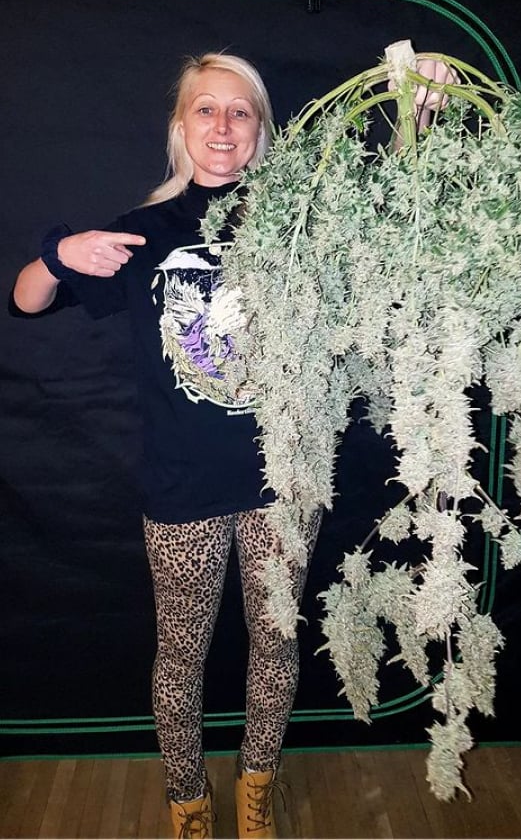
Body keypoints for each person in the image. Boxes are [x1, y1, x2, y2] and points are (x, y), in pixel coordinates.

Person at [11, 49, 455, 840]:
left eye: (240, 111)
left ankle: (256, 788)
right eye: (206, 109)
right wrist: (56, 256)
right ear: (180, 126)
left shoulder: (302, 219)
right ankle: (187, 800)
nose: (222, 125)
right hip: (180, 487)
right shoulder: (143, 234)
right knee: (180, 656)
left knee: (275, 646)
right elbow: (26, 303)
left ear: (259, 129)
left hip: (283, 483)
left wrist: (414, 115)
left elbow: (389, 218)